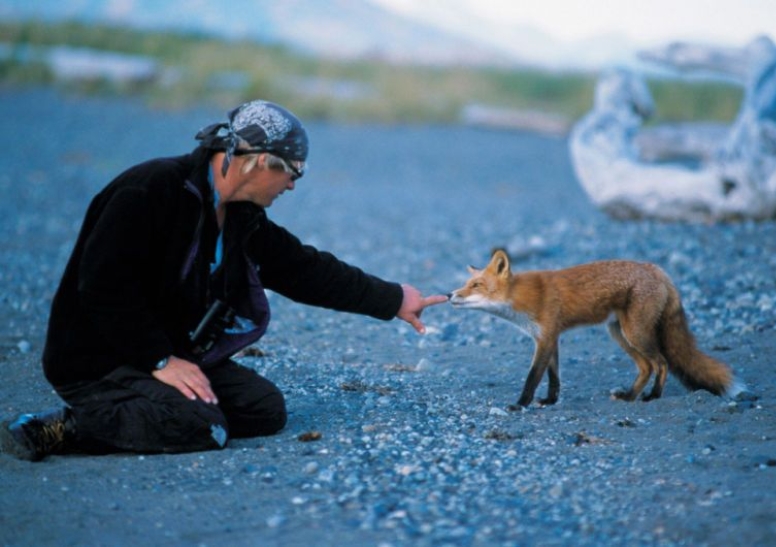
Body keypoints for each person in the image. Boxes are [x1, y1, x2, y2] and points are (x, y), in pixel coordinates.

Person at [0, 100, 447, 462]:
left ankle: (153, 408)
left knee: (263, 410)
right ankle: (61, 427)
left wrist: (392, 299)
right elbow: (101, 287)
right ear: (257, 162)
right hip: (100, 358)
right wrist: (159, 360)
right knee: (201, 427)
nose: (292, 185)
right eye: (293, 171)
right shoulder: (150, 189)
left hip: (164, 350)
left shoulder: (240, 216)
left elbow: (302, 269)